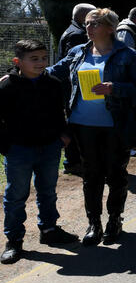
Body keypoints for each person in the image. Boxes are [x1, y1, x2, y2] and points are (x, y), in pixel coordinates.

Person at [48, 8, 136, 246]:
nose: (88, 28)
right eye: (87, 23)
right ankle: (94, 223)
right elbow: (51, 72)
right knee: (91, 175)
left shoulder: (129, 55)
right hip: (82, 125)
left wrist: (115, 88)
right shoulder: (78, 52)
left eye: (94, 24)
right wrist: (17, 74)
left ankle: (114, 220)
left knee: (115, 174)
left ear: (110, 28)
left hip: (115, 125)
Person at [0, 40, 78, 264]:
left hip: (49, 148)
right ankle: (14, 240)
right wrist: (6, 146)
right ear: (18, 61)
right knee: (16, 196)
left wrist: (64, 134)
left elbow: (60, 112)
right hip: (19, 151)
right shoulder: (7, 86)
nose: (41, 62)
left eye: (44, 58)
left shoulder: (53, 84)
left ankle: (49, 230)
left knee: (47, 191)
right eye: (34, 59)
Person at [58, 2, 96, 175]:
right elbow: (73, 64)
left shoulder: (71, 30)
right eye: (91, 16)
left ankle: (75, 160)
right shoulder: (77, 35)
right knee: (74, 123)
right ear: (82, 16)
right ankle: (73, 161)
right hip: (72, 87)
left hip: (69, 86)